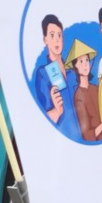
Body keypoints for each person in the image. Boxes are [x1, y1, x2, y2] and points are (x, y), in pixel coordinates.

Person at [30, 13, 81, 141]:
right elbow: (39, 123)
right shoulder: (43, 74)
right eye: (52, 35)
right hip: (62, 141)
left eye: (59, 35)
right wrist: (56, 111)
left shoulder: (72, 72)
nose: (57, 40)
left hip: (84, 137)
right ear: (45, 39)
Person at [67, 39, 102, 142]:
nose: (85, 64)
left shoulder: (96, 89)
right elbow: (87, 135)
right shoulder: (78, 97)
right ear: (75, 66)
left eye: (87, 60)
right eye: (81, 61)